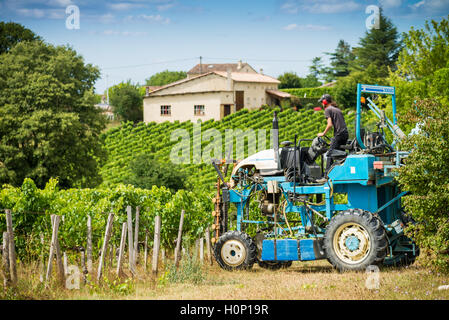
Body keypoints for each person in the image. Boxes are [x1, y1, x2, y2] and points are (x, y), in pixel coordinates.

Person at [316, 94, 348, 181]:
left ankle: (326, 176)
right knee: (339, 155)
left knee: (330, 154)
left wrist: (323, 133)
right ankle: (340, 174)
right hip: (345, 134)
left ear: (325, 102)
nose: (322, 104)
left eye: (322, 102)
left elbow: (330, 124)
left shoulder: (328, 110)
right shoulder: (337, 109)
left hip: (339, 134)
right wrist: (333, 141)